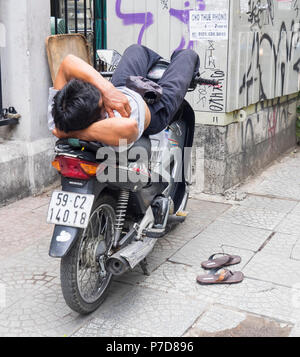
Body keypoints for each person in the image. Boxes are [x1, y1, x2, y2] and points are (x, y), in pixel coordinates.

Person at [49, 44, 200, 148]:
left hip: (122, 88)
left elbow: (67, 63)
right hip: (153, 110)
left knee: (137, 50)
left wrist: (108, 90)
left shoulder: (59, 114)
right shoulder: (111, 131)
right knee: (187, 55)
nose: (107, 101)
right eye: (104, 104)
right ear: (99, 118)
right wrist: (75, 133)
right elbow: (131, 126)